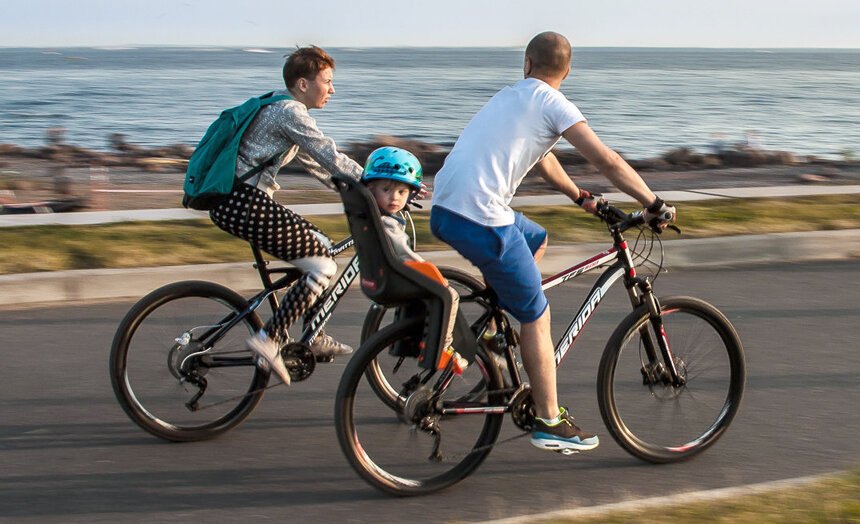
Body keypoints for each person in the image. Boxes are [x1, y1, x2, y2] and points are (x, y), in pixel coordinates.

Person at [430, 31, 676, 453]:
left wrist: (581, 197)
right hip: (481, 218)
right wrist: (653, 202)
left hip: (445, 208)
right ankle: (549, 420)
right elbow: (608, 160)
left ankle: (492, 330)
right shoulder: (553, 102)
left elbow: (542, 155)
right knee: (537, 315)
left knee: (536, 238)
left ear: (526, 64)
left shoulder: (511, 97)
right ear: (567, 71)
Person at [208, 45, 363, 385]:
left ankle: (314, 332)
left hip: (240, 201)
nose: (332, 89)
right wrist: (377, 182)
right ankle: (269, 339)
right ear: (303, 83)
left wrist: (357, 191)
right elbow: (328, 154)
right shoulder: (290, 112)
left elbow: (321, 167)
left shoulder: (278, 105)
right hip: (243, 202)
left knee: (322, 244)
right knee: (323, 265)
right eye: (327, 81)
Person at [361, 147, 467, 373]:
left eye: (402, 192)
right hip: (398, 275)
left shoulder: (373, 215)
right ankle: (444, 348)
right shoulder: (388, 224)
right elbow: (406, 256)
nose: (394, 197)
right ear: (371, 189)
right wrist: (427, 268)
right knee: (449, 294)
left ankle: (416, 338)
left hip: (383, 275)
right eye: (387, 190)